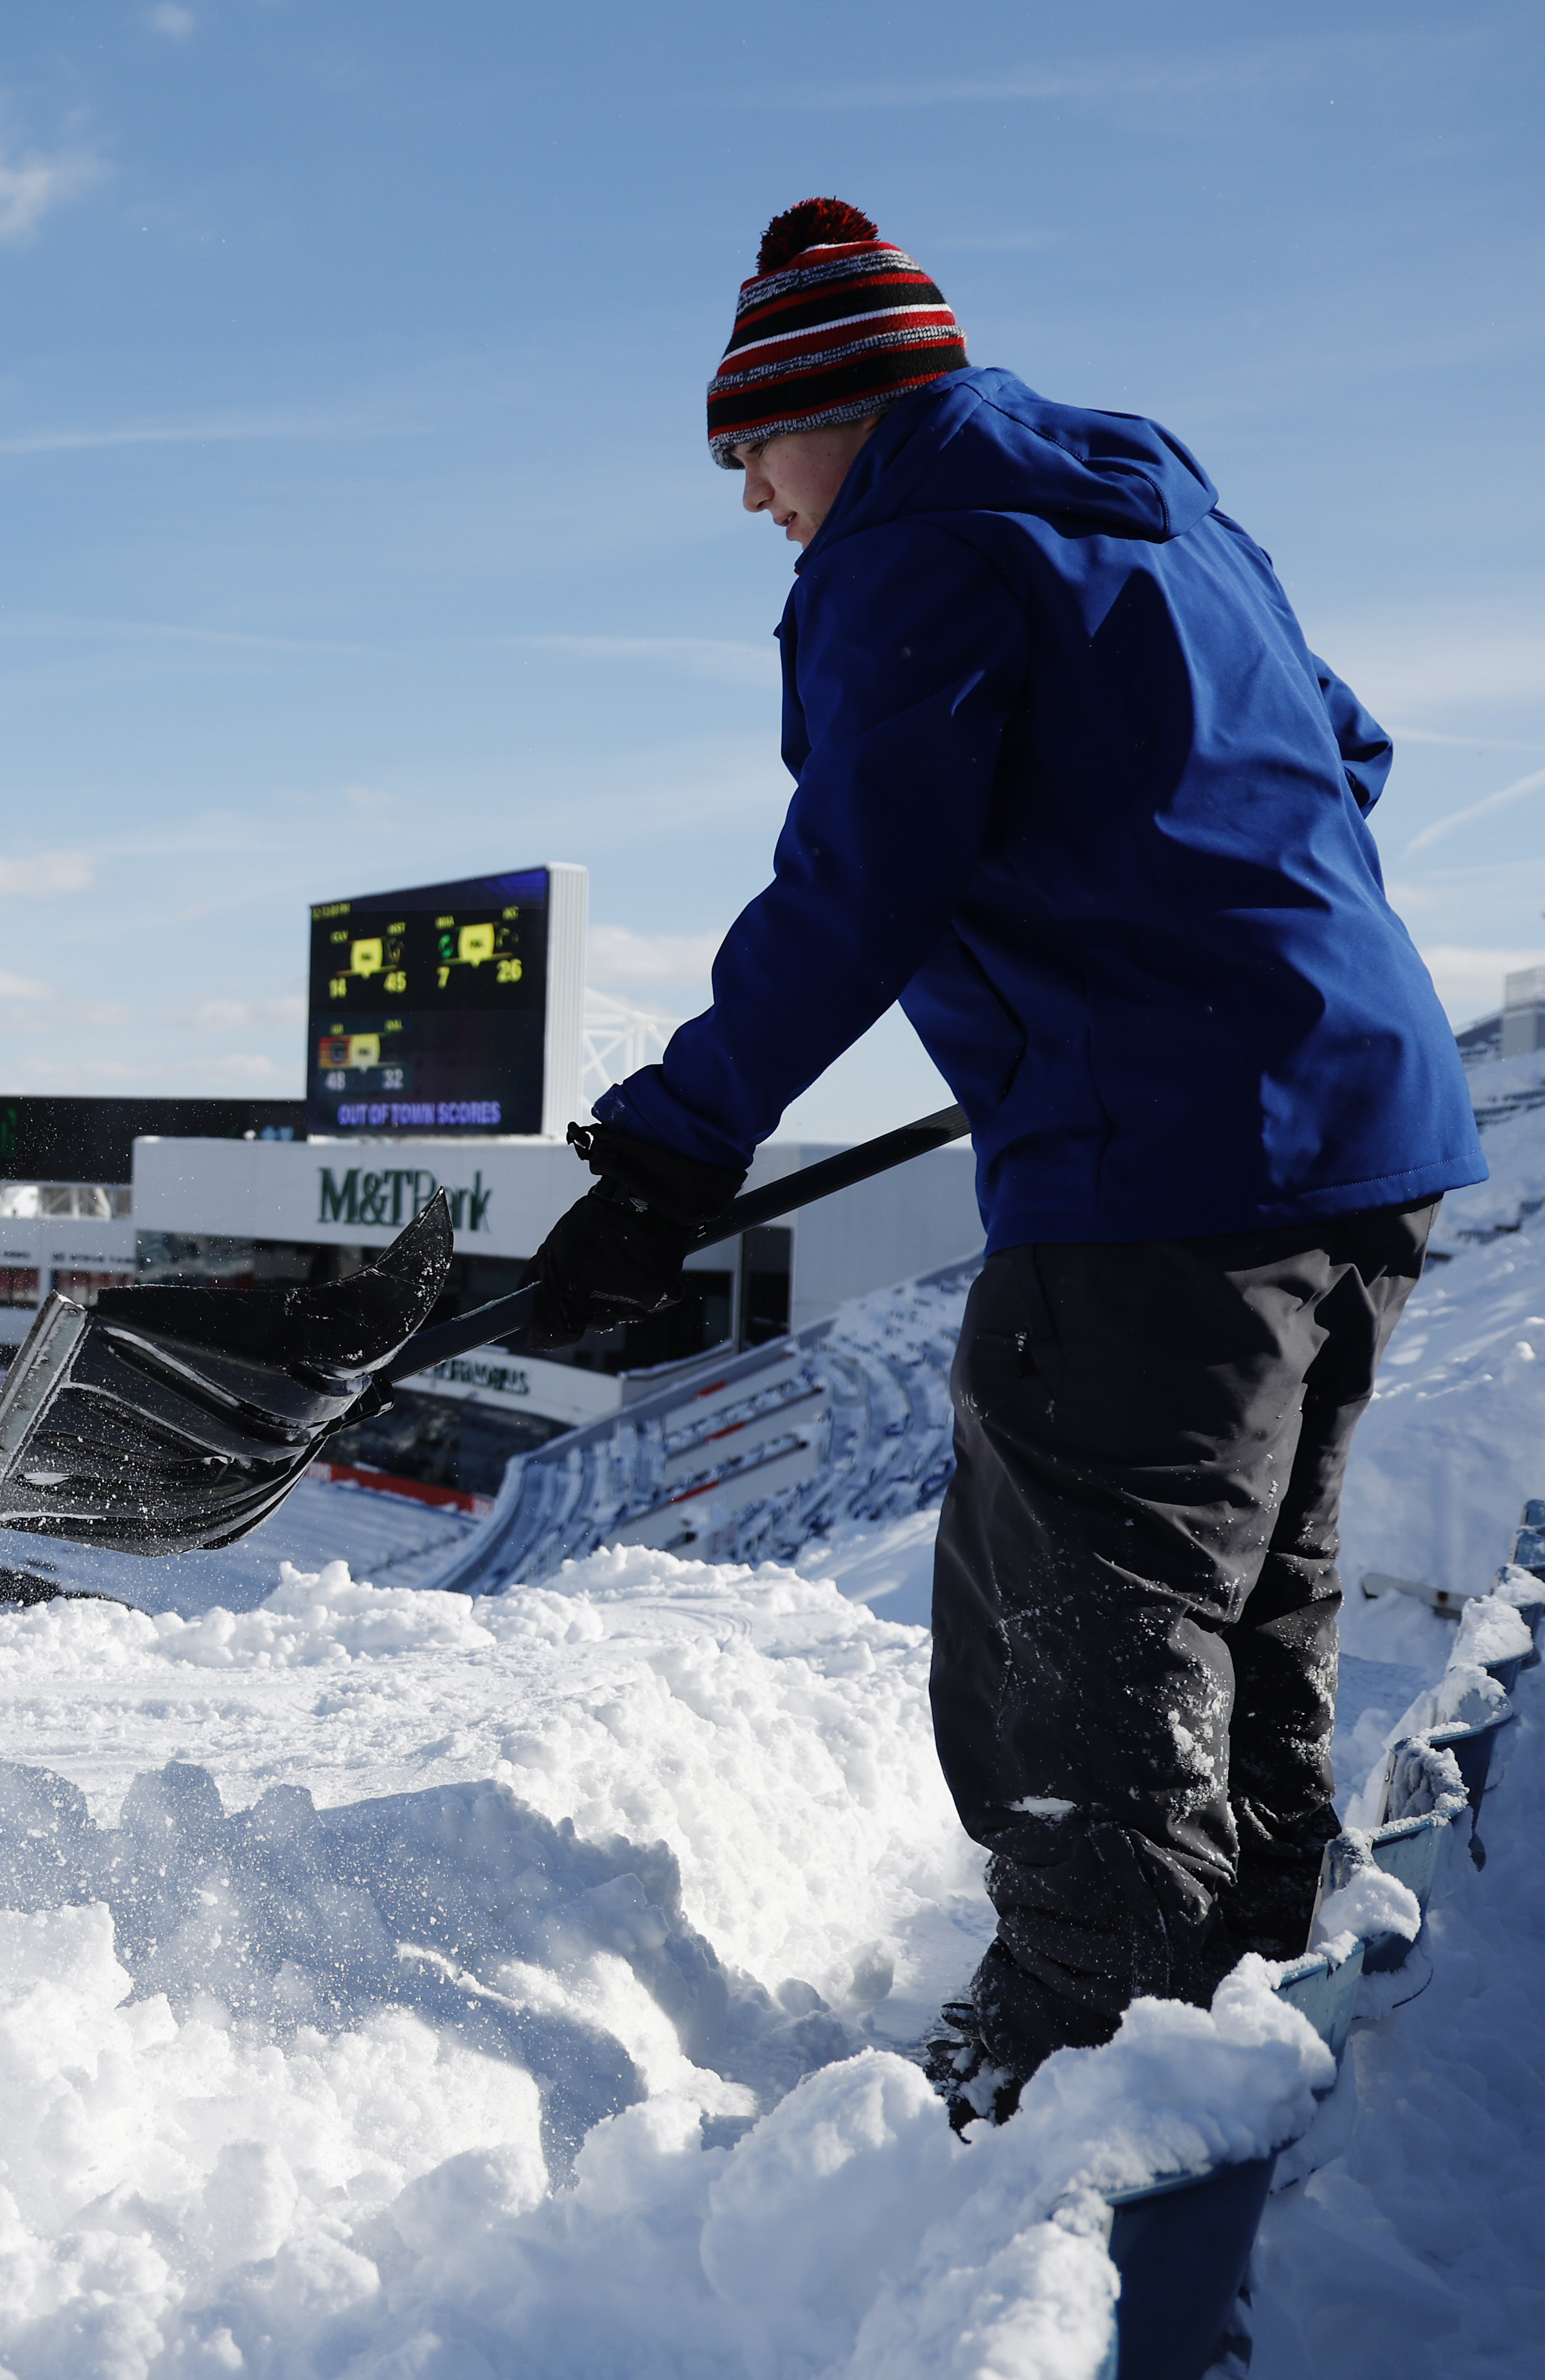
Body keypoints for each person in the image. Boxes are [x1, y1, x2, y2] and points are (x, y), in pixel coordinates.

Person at [525, 198, 1486, 2124]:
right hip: (1359, 1133)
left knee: (1087, 1629)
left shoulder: (915, 546)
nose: (751, 501)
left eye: (751, 451)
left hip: (1157, 1181)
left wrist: (665, 1155)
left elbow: (856, 885)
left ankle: (1067, 2082)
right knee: (1250, 1601)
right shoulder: (1156, 503)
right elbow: (1344, 751)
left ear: (839, 412)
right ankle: (1247, 2010)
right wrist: (1157, 937)